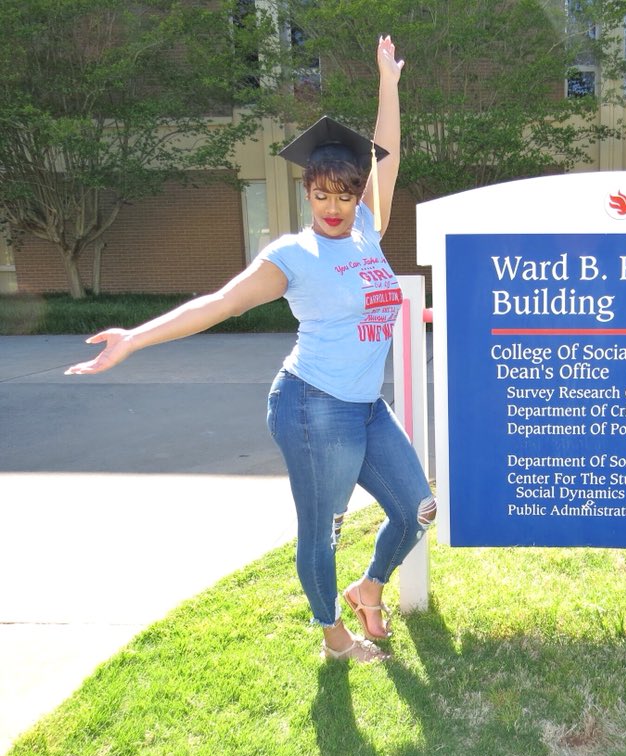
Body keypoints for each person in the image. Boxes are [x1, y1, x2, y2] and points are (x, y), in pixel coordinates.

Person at [66, 35, 433, 664]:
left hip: (366, 407)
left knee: (416, 509)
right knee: (323, 531)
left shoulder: (370, 227)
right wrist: (135, 337)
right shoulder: (291, 256)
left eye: (346, 193)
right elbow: (219, 303)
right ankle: (334, 639)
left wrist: (389, 84)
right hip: (313, 407)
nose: (336, 205)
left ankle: (368, 588)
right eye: (323, 193)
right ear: (307, 193)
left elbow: (388, 156)